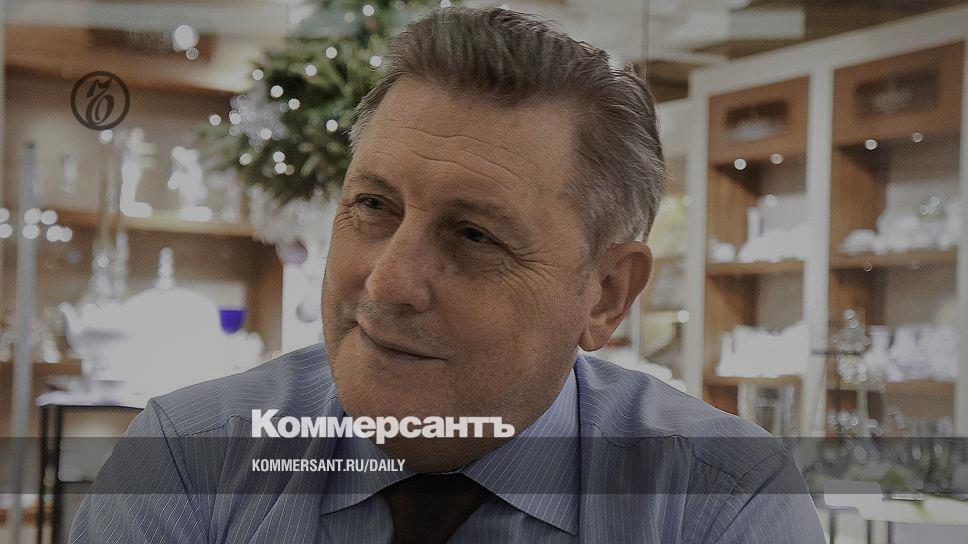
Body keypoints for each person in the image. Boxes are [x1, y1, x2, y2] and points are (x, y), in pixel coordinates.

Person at [70, 7, 824, 543]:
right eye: (373, 206)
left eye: (474, 236)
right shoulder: (188, 459)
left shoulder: (717, 503)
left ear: (606, 295)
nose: (388, 283)